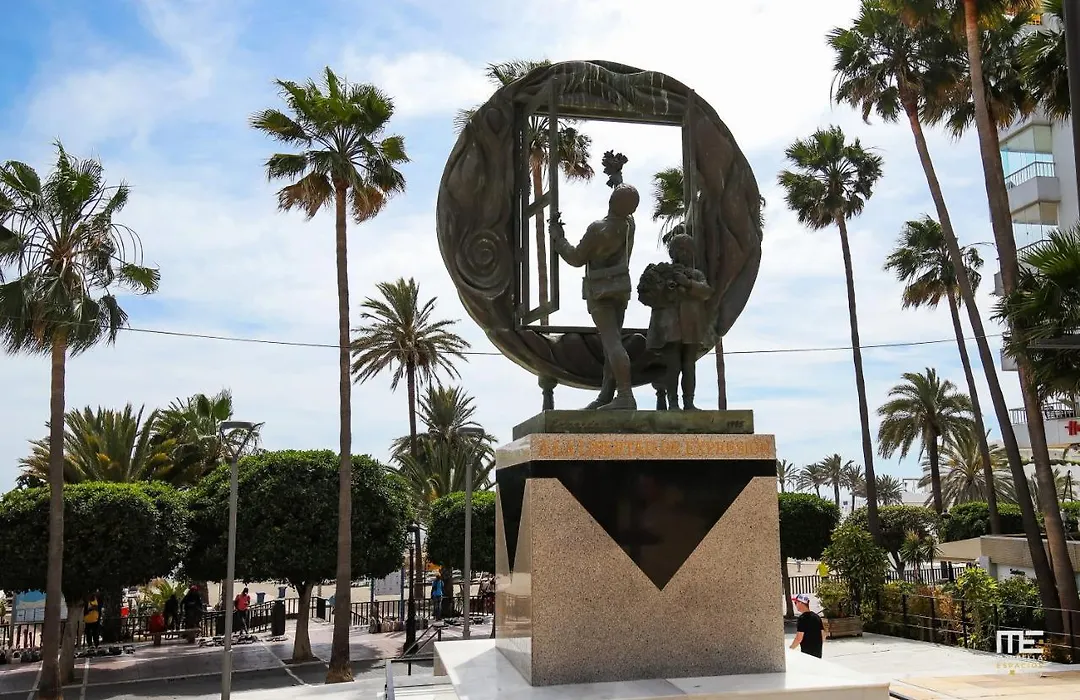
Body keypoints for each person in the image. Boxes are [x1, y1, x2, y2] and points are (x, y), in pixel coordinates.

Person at [550, 180, 641, 411]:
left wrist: (558, 239)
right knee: (613, 341)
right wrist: (618, 178)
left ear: (611, 200)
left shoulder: (598, 229)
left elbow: (576, 258)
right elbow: (627, 206)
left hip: (600, 292)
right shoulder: (629, 226)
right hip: (620, 290)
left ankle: (625, 395)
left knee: (612, 343)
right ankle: (606, 395)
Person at [638, 233, 712, 410]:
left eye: (688, 250)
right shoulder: (663, 272)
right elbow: (646, 295)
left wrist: (687, 283)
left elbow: (706, 291)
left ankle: (689, 402)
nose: (684, 253)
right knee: (673, 366)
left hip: (691, 326)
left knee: (689, 366)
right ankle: (673, 402)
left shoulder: (696, 274)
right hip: (670, 327)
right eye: (680, 249)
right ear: (672, 252)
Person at [789, 593, 824, 658]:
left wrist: (790, 649)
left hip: (807, 655)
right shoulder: (817, 617)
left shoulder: (802, 619)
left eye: (795, 603)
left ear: (800, 603)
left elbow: (799, 638)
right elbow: (823, 635)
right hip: (818, 654)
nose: (795, 605)